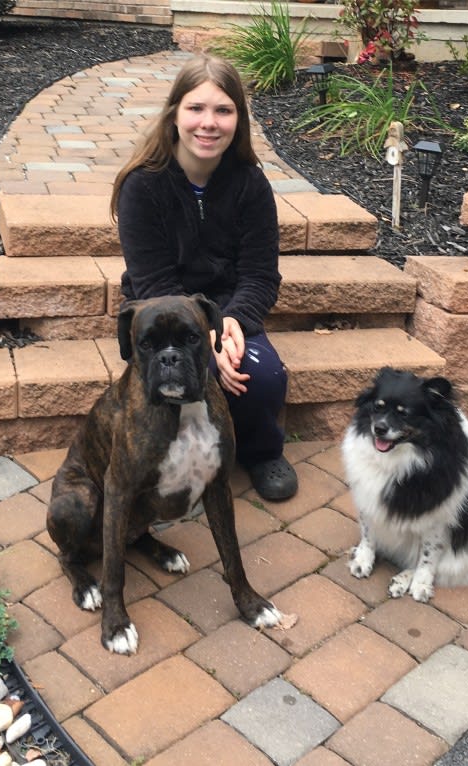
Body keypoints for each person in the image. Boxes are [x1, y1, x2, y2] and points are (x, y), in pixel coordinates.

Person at [110, 54, 298, 501]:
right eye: (196, 108)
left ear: (239, 120)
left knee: (262, 375)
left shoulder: (251, 185)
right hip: (163, 315)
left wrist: (231, 322)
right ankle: (169, 457)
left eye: (223, 110)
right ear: (175, 114)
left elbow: (260, 274)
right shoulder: (142, 186)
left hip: (230, 312)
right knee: (190, 368)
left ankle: (261, 451)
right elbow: (153, 283)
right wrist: (207, 338)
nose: (208, 123)